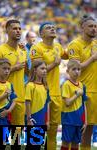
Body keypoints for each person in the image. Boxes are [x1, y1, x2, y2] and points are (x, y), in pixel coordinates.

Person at [30, 22, 68, 150]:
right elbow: (35, 70)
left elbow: (68, 54)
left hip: (56, 93)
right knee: (37, 129)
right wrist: (55, 64)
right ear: (41, 34)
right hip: (41, 92)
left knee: (53, 129)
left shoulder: (58, 46)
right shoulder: (37, 48)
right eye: (48, 27)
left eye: (53, 27)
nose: (52, 28)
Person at [68, 15, 97, 150]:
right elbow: (75, 67)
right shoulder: (75, 44)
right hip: (82, 91)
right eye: (90, 26)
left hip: (95, 90)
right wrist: (92, 58)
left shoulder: (95, 44)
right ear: (82, 28)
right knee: (80, 128)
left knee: (90, 127)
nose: (94, 29)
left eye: (95, 26)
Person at [0, 19, 27, 125]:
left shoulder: (23, 51)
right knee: (3, 135)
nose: (18, 31)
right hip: (3, 99)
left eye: (19, 29)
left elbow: (27, 73)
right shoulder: (0, 51)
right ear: (7, 31)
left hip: (19, 97)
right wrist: (14, 68)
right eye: (14, 28)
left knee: (17, 134)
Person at [61, 60, 87, 150]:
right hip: (68, 119)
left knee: (76, 144)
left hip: (79, 120)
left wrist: (85, 121)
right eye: (74, 69)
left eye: (79, 69)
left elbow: (84, 104)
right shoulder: (66, 85)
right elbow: (67, 103)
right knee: (66, 142)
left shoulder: (82, 85)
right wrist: (77, 95)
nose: (77, 71)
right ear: (68, 71)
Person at [25, 59, 50, 125]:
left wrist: (47, 121)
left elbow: (47, 105)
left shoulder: (45, 86)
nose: (45, 71)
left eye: (45, 69)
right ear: (35, 70)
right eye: (42, 68)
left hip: (42, 119)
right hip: (33, 119)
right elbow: (27, 103)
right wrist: (29, 119)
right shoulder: (30, 85)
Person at [0, 58, 17, 125]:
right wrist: (4, 95)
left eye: (8, 69)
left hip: (5, 116)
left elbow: (14, 100)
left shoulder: (9, 84)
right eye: (4, 68)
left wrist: (9, 111)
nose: (7, 71)